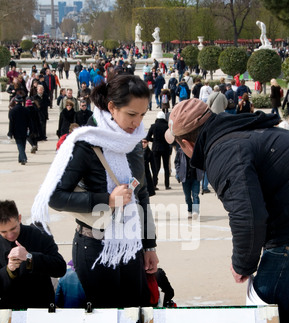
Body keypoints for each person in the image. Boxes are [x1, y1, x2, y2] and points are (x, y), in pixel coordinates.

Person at [164, 98, 289, 323]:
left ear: (185, 143)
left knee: (268, 312)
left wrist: (242, 264)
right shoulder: (243, 131)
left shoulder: (223, 151)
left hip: (286, 239)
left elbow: (247, 213)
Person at [31, 73, 158, 309]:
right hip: (95, 246)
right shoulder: (85, 143)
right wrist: (107, 199)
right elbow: (55, 197)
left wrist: (149, 245)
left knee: (136, 314)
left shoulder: (133, 143)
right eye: (131, 114)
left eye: (142, 114)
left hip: (131, 244)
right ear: (112, 107)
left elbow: (142, 195)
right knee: (106, 321)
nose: (137, 122)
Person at [0, 200, 66, 309]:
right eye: (3, 232)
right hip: (9, 311)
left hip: (40, 307)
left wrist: (30, 257)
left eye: (13, 228)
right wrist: (9, 270)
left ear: (19, 218)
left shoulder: (39, 235)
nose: (10, 235)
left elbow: (60, 268)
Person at [174, 145, 202, 219]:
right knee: (187, 197)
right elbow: (177, 162)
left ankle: (195, 211)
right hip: (185, 177)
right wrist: (178, 172)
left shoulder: (196, 150)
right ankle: (190, 210)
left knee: (195, 195)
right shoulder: (180, 151)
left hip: (196, 177)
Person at [146, 111, 172, 190]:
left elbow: (148, 138)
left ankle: (154, 184)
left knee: (156, 167)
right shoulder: (167, 127)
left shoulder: (153, 126)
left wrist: (154, 140)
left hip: (156, 148)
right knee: (166, 167)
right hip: (165, 148)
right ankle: (167, 185)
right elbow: (171, 137)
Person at [8, 95, 32, 165]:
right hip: (24, 129)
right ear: (22, 102)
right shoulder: (26, 110)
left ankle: (23, 158)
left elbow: (11, 122)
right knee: (23, 144)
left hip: (16, 130)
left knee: (19, 145)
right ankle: (21, 158)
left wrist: (10, 132)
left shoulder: (12, 111)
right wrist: (31, 129)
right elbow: (29, 121)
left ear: (15, 102)